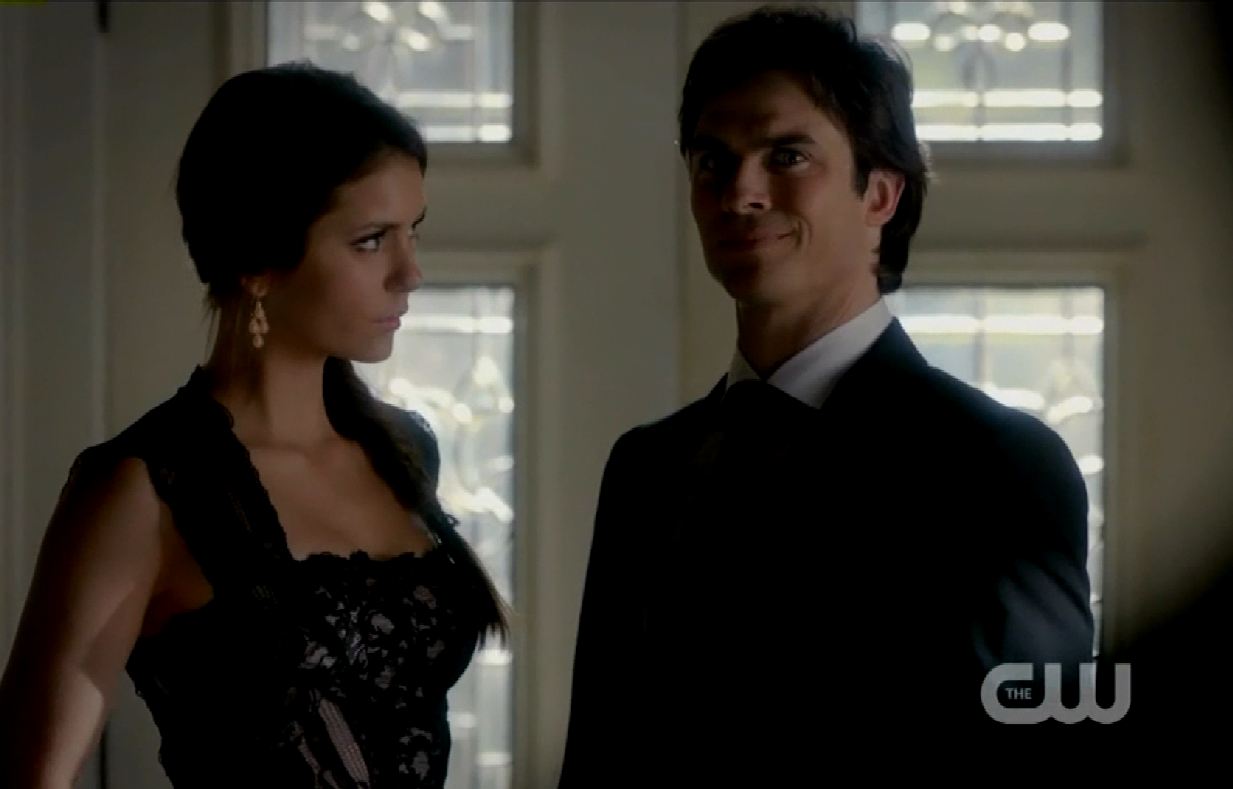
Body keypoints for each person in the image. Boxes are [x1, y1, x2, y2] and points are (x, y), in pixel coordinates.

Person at [559, 6, 1093, 783]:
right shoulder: (646, 466)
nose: (739, 192)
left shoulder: (994, 462)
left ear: (879, 195)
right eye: (711, 161)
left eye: (786, 155)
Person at [0, 62, 507, 788]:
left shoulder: (402, 448)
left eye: (413, 232)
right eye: (371, 240)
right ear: (258, 261)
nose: (410, 273)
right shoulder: (142, 491)